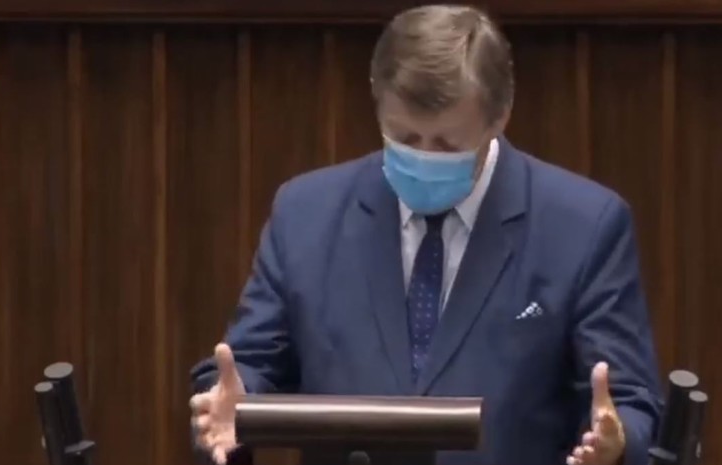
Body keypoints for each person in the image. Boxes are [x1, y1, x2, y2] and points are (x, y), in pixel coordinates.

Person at [190, 5, 662, 465]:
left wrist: (617, 443)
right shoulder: (306, 214)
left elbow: (628, 402)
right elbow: (247, 364)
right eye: (405, 139)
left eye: (447, 144)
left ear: (500, 116)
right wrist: (233, 402)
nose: (424, 157)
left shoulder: (584, 226)